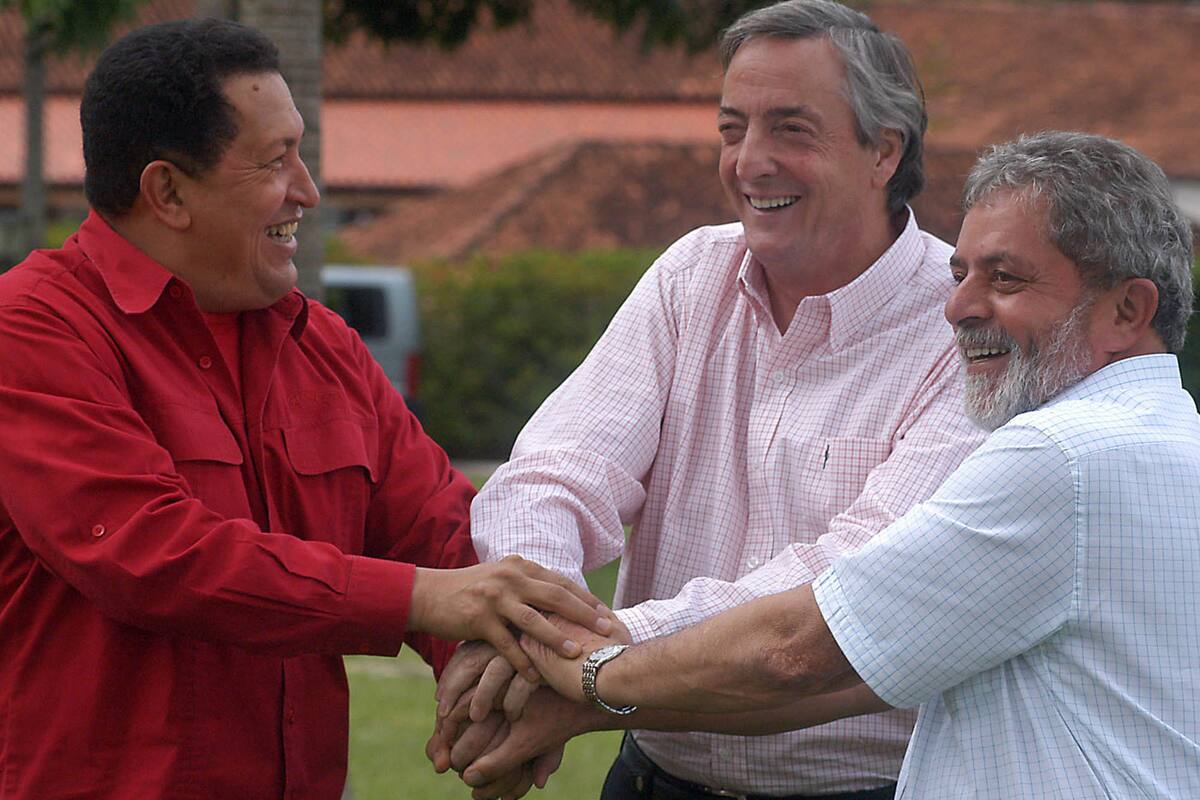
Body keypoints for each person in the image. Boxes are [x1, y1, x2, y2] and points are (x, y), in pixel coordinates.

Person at [485, 131, 1200, 799]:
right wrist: (593, 696)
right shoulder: (1164, 441)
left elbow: (797, 650)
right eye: (960, 274)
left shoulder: (1058, 457)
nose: (956, 307)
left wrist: (580, 668)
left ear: (1127, 309)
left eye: (1005, 279)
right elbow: (858, 673)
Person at [0, 19, 611, 799]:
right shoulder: (32, 330)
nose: (308, 191)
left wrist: (500, 678)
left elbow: (442, 529)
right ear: (168, 192)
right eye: (275, 160)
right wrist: (423, 599)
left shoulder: (320, 344)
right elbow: (151, 553)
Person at [434, 1, 985, 797]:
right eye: (733, 130)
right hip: (653, 777)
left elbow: (844, 586)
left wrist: (592, 653)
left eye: (791, 130)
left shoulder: (965, 329)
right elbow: (555, 473)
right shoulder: (693, 276)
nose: (749, 162)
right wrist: (539, 620)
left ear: (883, 151)